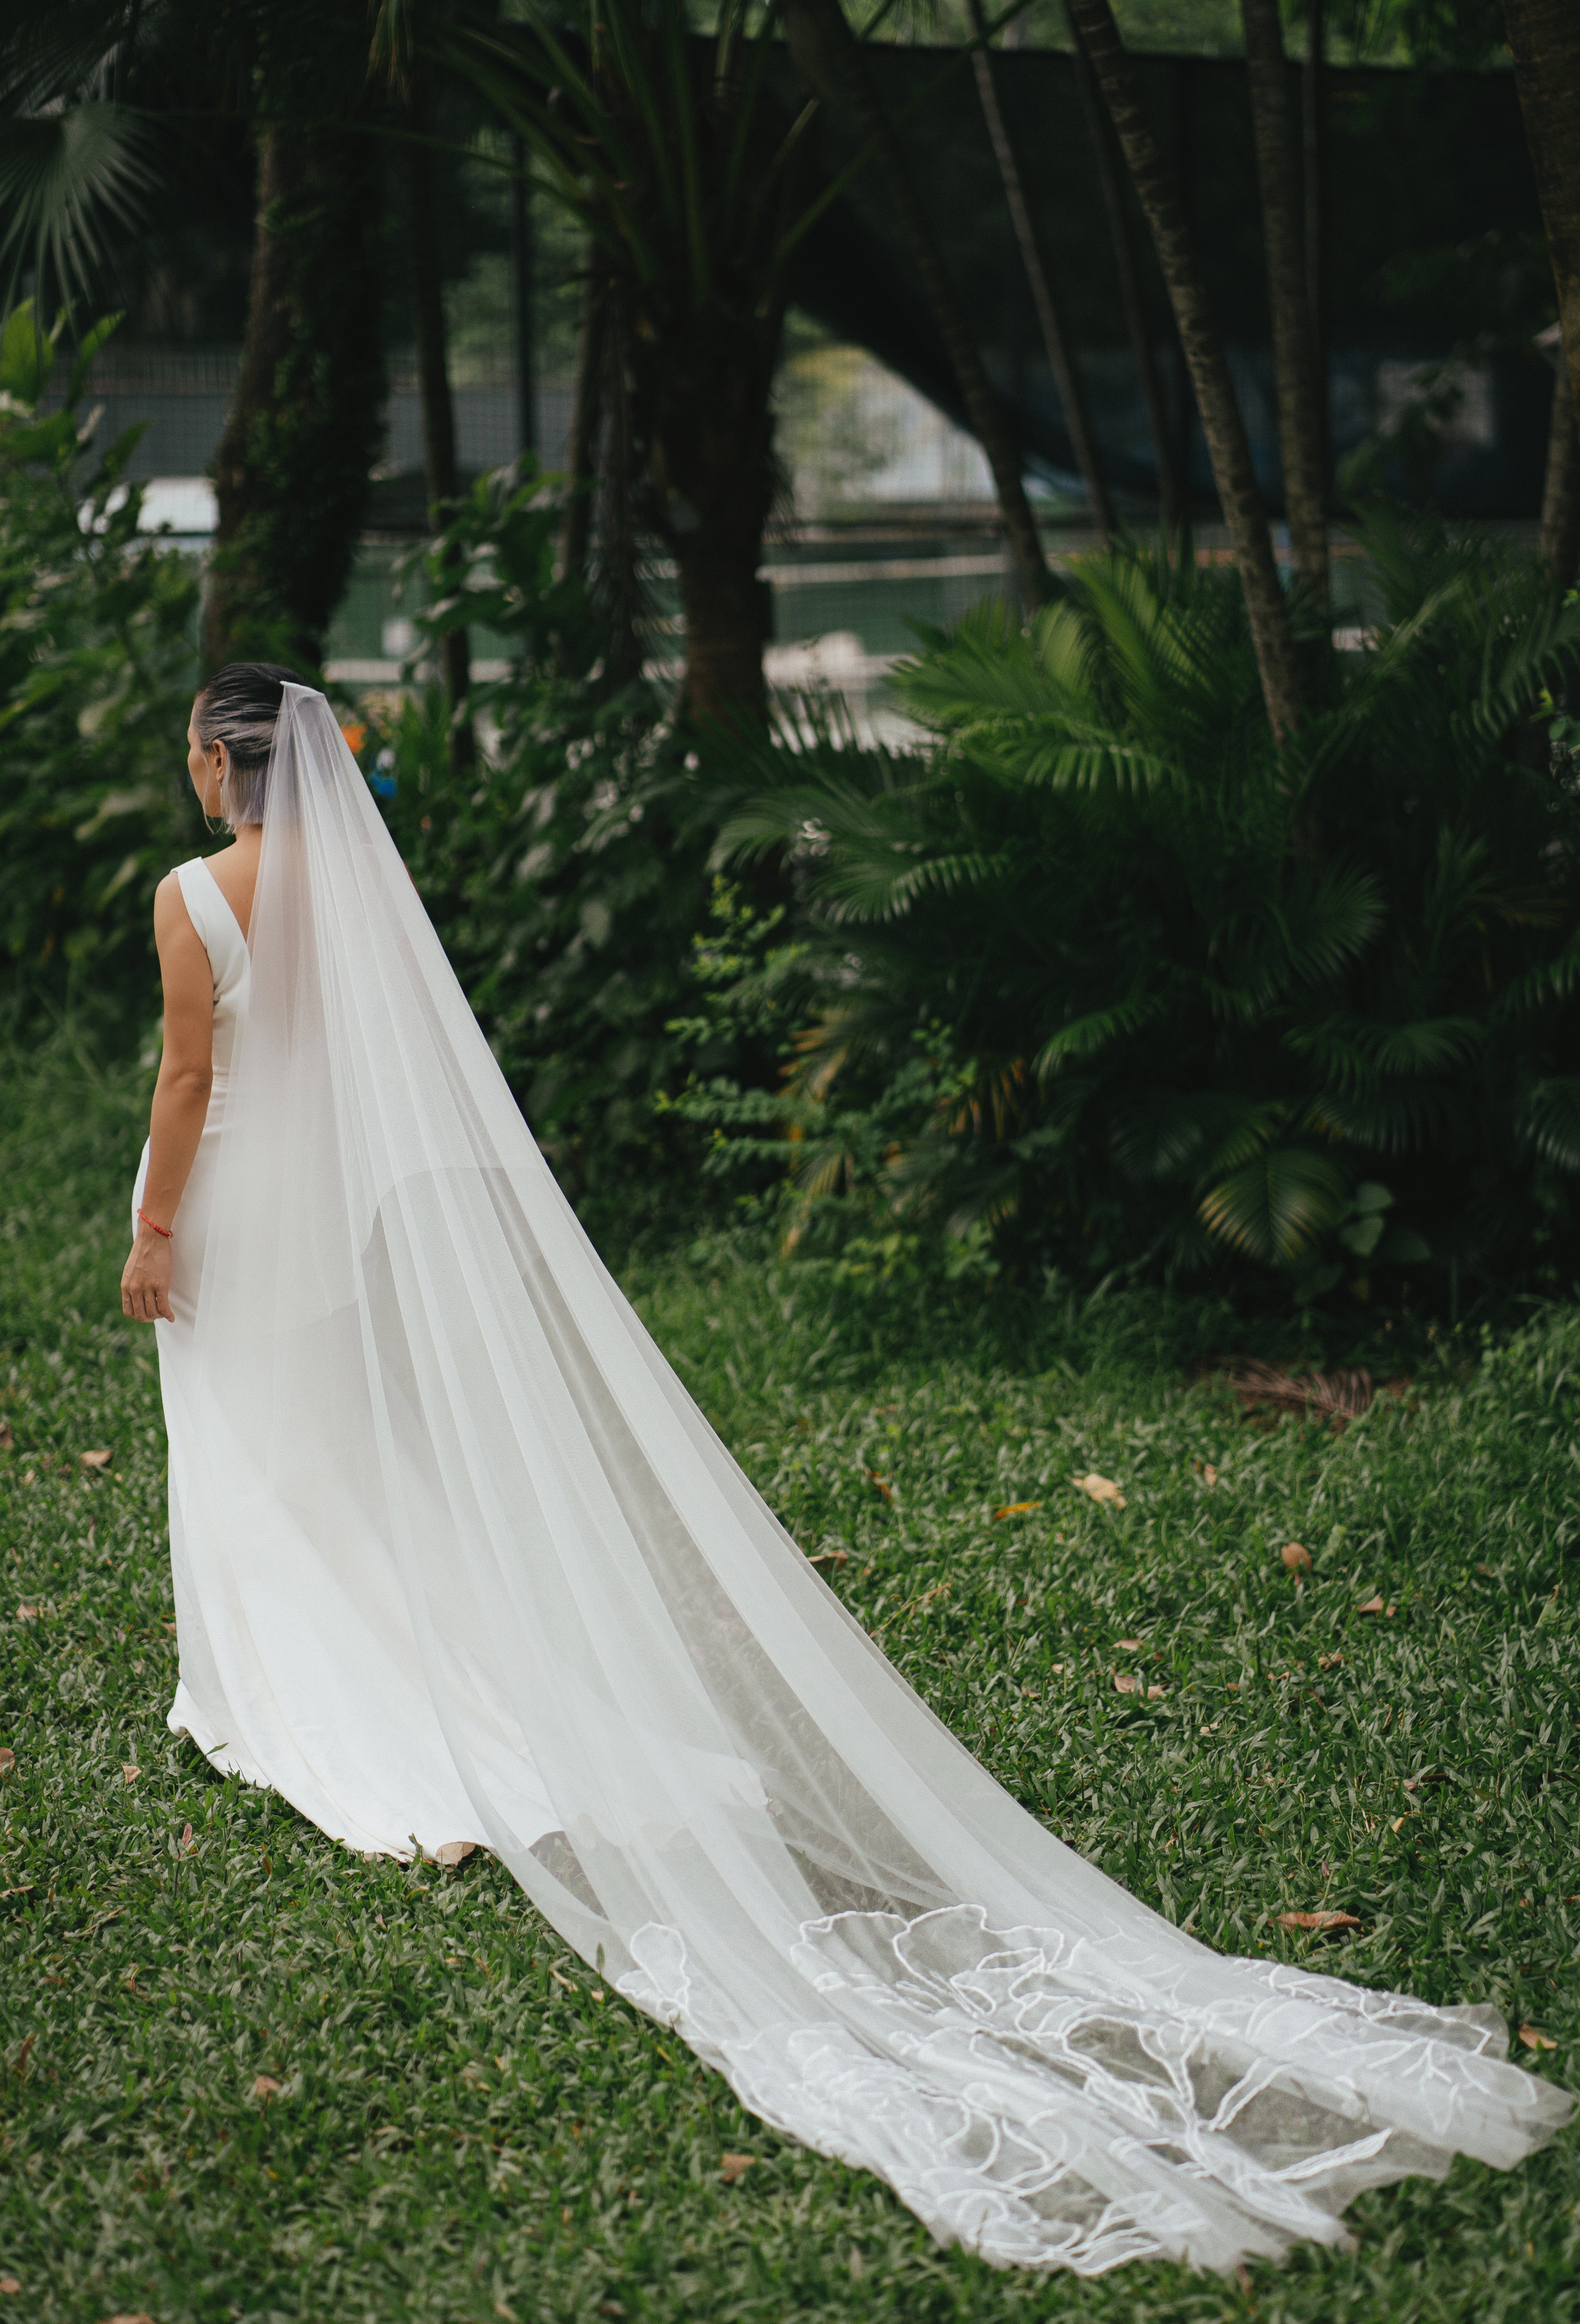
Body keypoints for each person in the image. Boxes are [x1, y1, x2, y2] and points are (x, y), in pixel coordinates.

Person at [120, 667, 1569, 2277]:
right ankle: (413, 1672)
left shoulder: (199, 896)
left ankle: (307, 1688)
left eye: (192, 754)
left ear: (219, 766)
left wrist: (156, 1228)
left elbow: (188, 1077)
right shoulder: (360, 891)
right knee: (344, 1452)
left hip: (239, 1203)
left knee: (266, 1457)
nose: (190, 775)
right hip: (332, 1217)